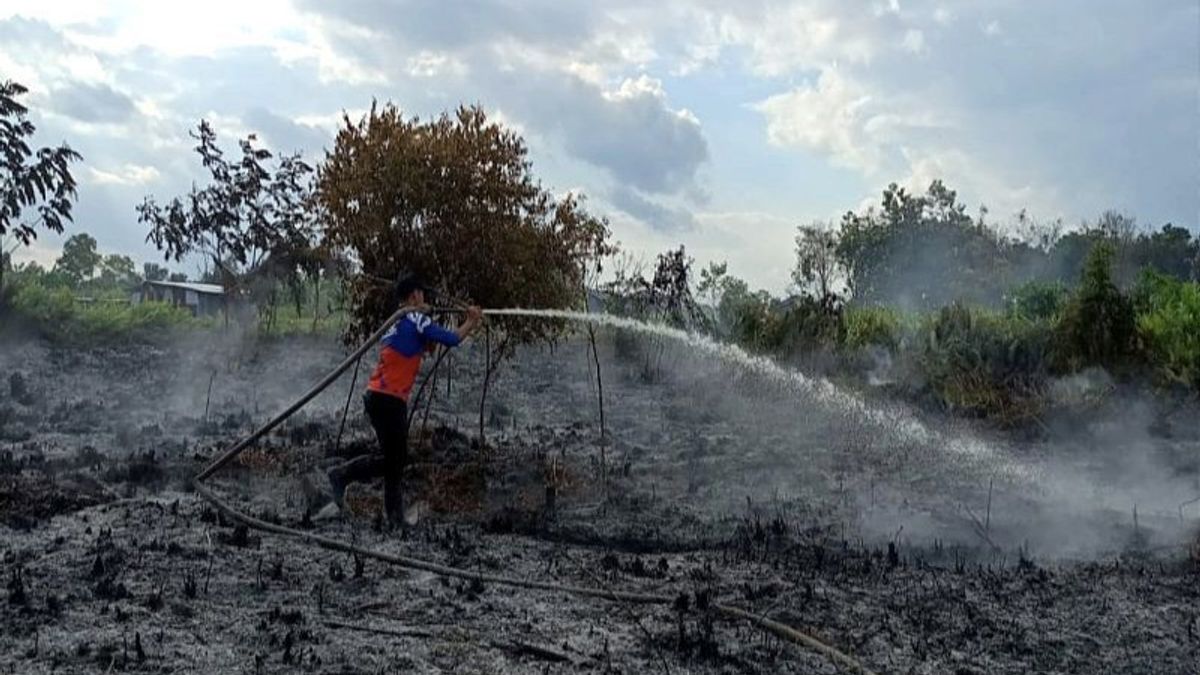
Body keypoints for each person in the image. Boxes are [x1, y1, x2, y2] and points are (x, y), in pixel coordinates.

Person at [328, 273, 482, 528]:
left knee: (393, 459)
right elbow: (452, 340)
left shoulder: (397, 322)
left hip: (377, 397)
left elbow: (425, 347)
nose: (424, 297)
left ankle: (388, 512)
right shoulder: (415, 318)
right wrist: (472, 321)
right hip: (389, 399)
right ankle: (345, 478)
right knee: (395, 459)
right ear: (415, 296)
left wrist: (430, 318)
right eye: (422, 293)